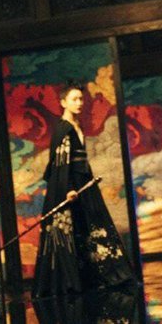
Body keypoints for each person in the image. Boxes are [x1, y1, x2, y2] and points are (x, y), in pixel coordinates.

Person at [32, 85, 136, 299]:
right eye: (74, 99)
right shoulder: (63, 129)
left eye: (81, 99)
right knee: (68, 230)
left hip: (84, 182)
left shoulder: (77, 126)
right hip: (68, 186)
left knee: (90, 225)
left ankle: (97, 277)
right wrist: (68, 189)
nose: (79, 103)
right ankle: (69, 282)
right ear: (63, 102)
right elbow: (61, 164)